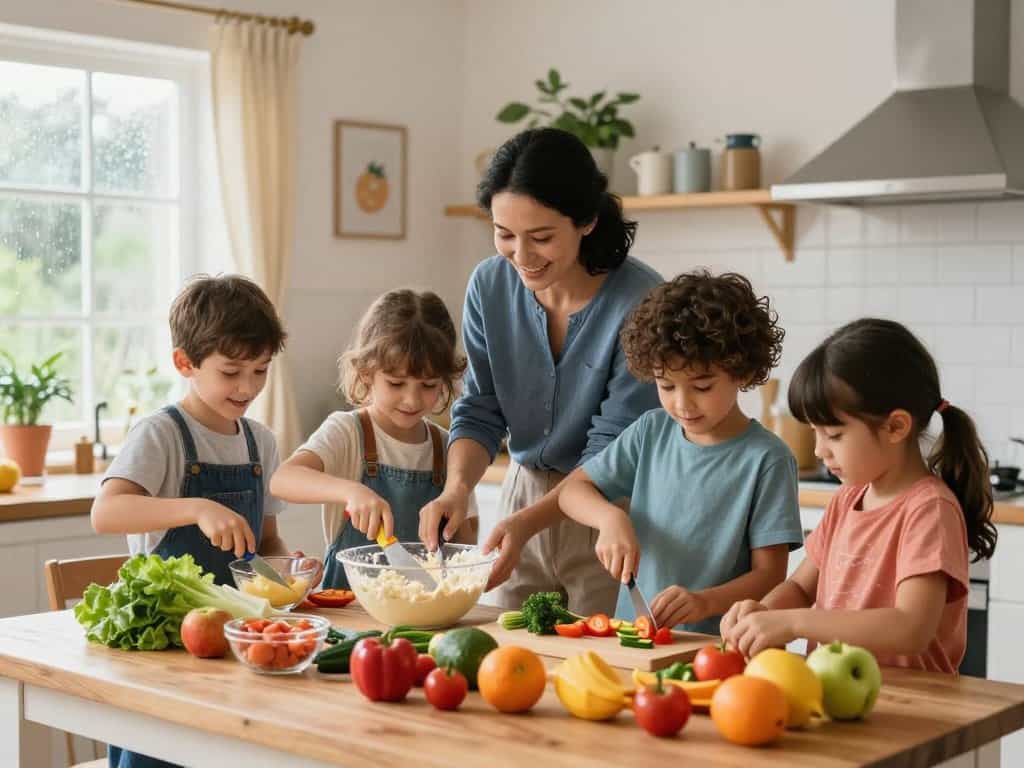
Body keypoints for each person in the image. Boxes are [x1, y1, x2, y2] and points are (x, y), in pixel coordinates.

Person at [419, 127, 662, 616]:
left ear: (588, 221)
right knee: (507, 655)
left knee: (597, 663)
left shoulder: (641, 300)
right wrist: (457, 490)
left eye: (542, 237)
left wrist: (528, 522)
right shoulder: (489, 285)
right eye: (505, 234)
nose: (522, 257)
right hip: (521, 492)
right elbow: (481, 407)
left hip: (607, 506)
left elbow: (611, 450)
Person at [92, 274, 298, 768]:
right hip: (165, 658)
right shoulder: (161, 434)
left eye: (260, 370)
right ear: (185, 362)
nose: (247, 387)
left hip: (236, 650)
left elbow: (266, 540)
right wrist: (196, 507)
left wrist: (287, 573)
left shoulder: (260, 442)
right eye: (231, 372)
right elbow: (107, 511)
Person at [721, 318, 997, 673]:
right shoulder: (847, 500)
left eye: (834, 435)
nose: (819, 450)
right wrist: (764, 611)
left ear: (896, 426)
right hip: (833, 691)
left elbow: (911, 628)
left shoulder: (930, 510)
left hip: (914, 706)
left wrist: (793, 623)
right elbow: (802, 589)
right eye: (815, 433)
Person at [559, 270, 803, 634]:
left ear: (742, 371)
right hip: (635, 636)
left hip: (722, 647)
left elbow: (770, 575)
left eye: (702, 386)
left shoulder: (768, 459)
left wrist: (705, 601)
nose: (682, 403)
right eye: (666, 385)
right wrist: (610, 519)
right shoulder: (651, 430)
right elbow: (572, 491)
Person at [270, 289, 477, 590]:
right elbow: (283, 480)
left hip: (425, 615)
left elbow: (466, 544)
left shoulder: (450, 448)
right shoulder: (347, 432)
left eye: (428, 384)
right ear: (366, 373)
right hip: (347, 608)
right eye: (396, 383)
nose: (412, 398)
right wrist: (351, 491)